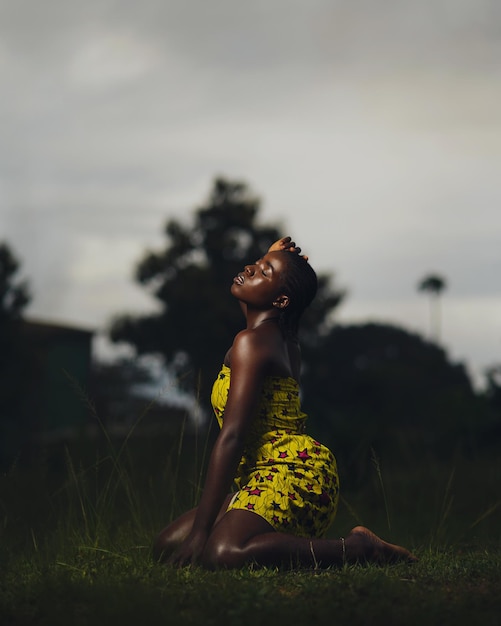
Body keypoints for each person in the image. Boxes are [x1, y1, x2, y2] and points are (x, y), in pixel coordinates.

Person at [153, 237, 417, 569]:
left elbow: (232, 436)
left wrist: (201, 533)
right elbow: (254, 303)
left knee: (220, 553)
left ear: (281, 300)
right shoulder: (280, 338)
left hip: (294, 473)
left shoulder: (252, 343)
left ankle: (360, 548)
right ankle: (240, 519)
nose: (250, 268)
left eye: (264, 270)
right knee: (165, 546)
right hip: (261, 476)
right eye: (257, 263)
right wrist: (274, 255)